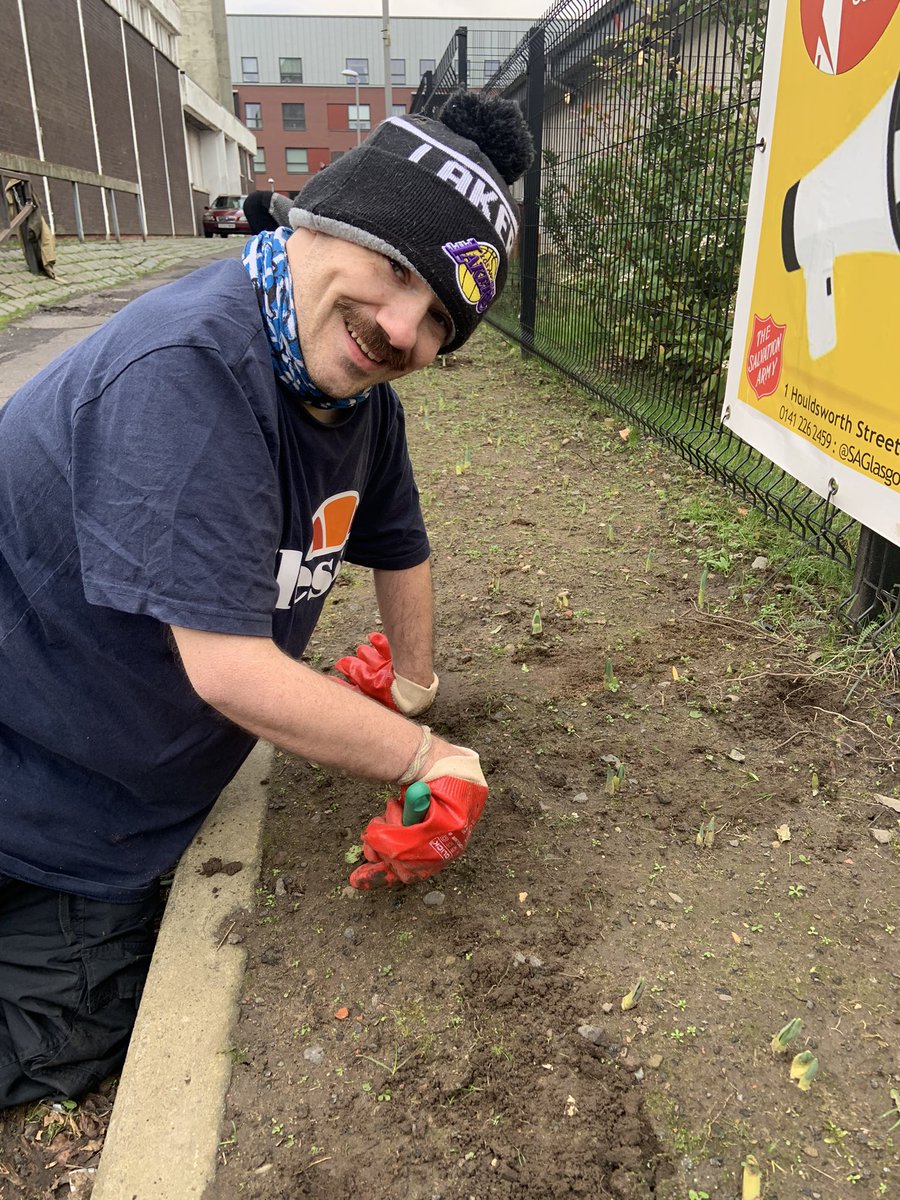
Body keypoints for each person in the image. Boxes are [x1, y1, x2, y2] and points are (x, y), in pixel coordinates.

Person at [0, 92, 533, 1108]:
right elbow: (231, 670)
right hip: (33, 769)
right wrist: (432, 759)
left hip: (100, 789)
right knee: (66, 1024)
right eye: (398, 273)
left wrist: (413, 684)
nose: (401, 330)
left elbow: (399, 545)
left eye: (440, 325)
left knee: (81, 996)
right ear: (332, 221)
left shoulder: (348, 399)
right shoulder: (193, 371)